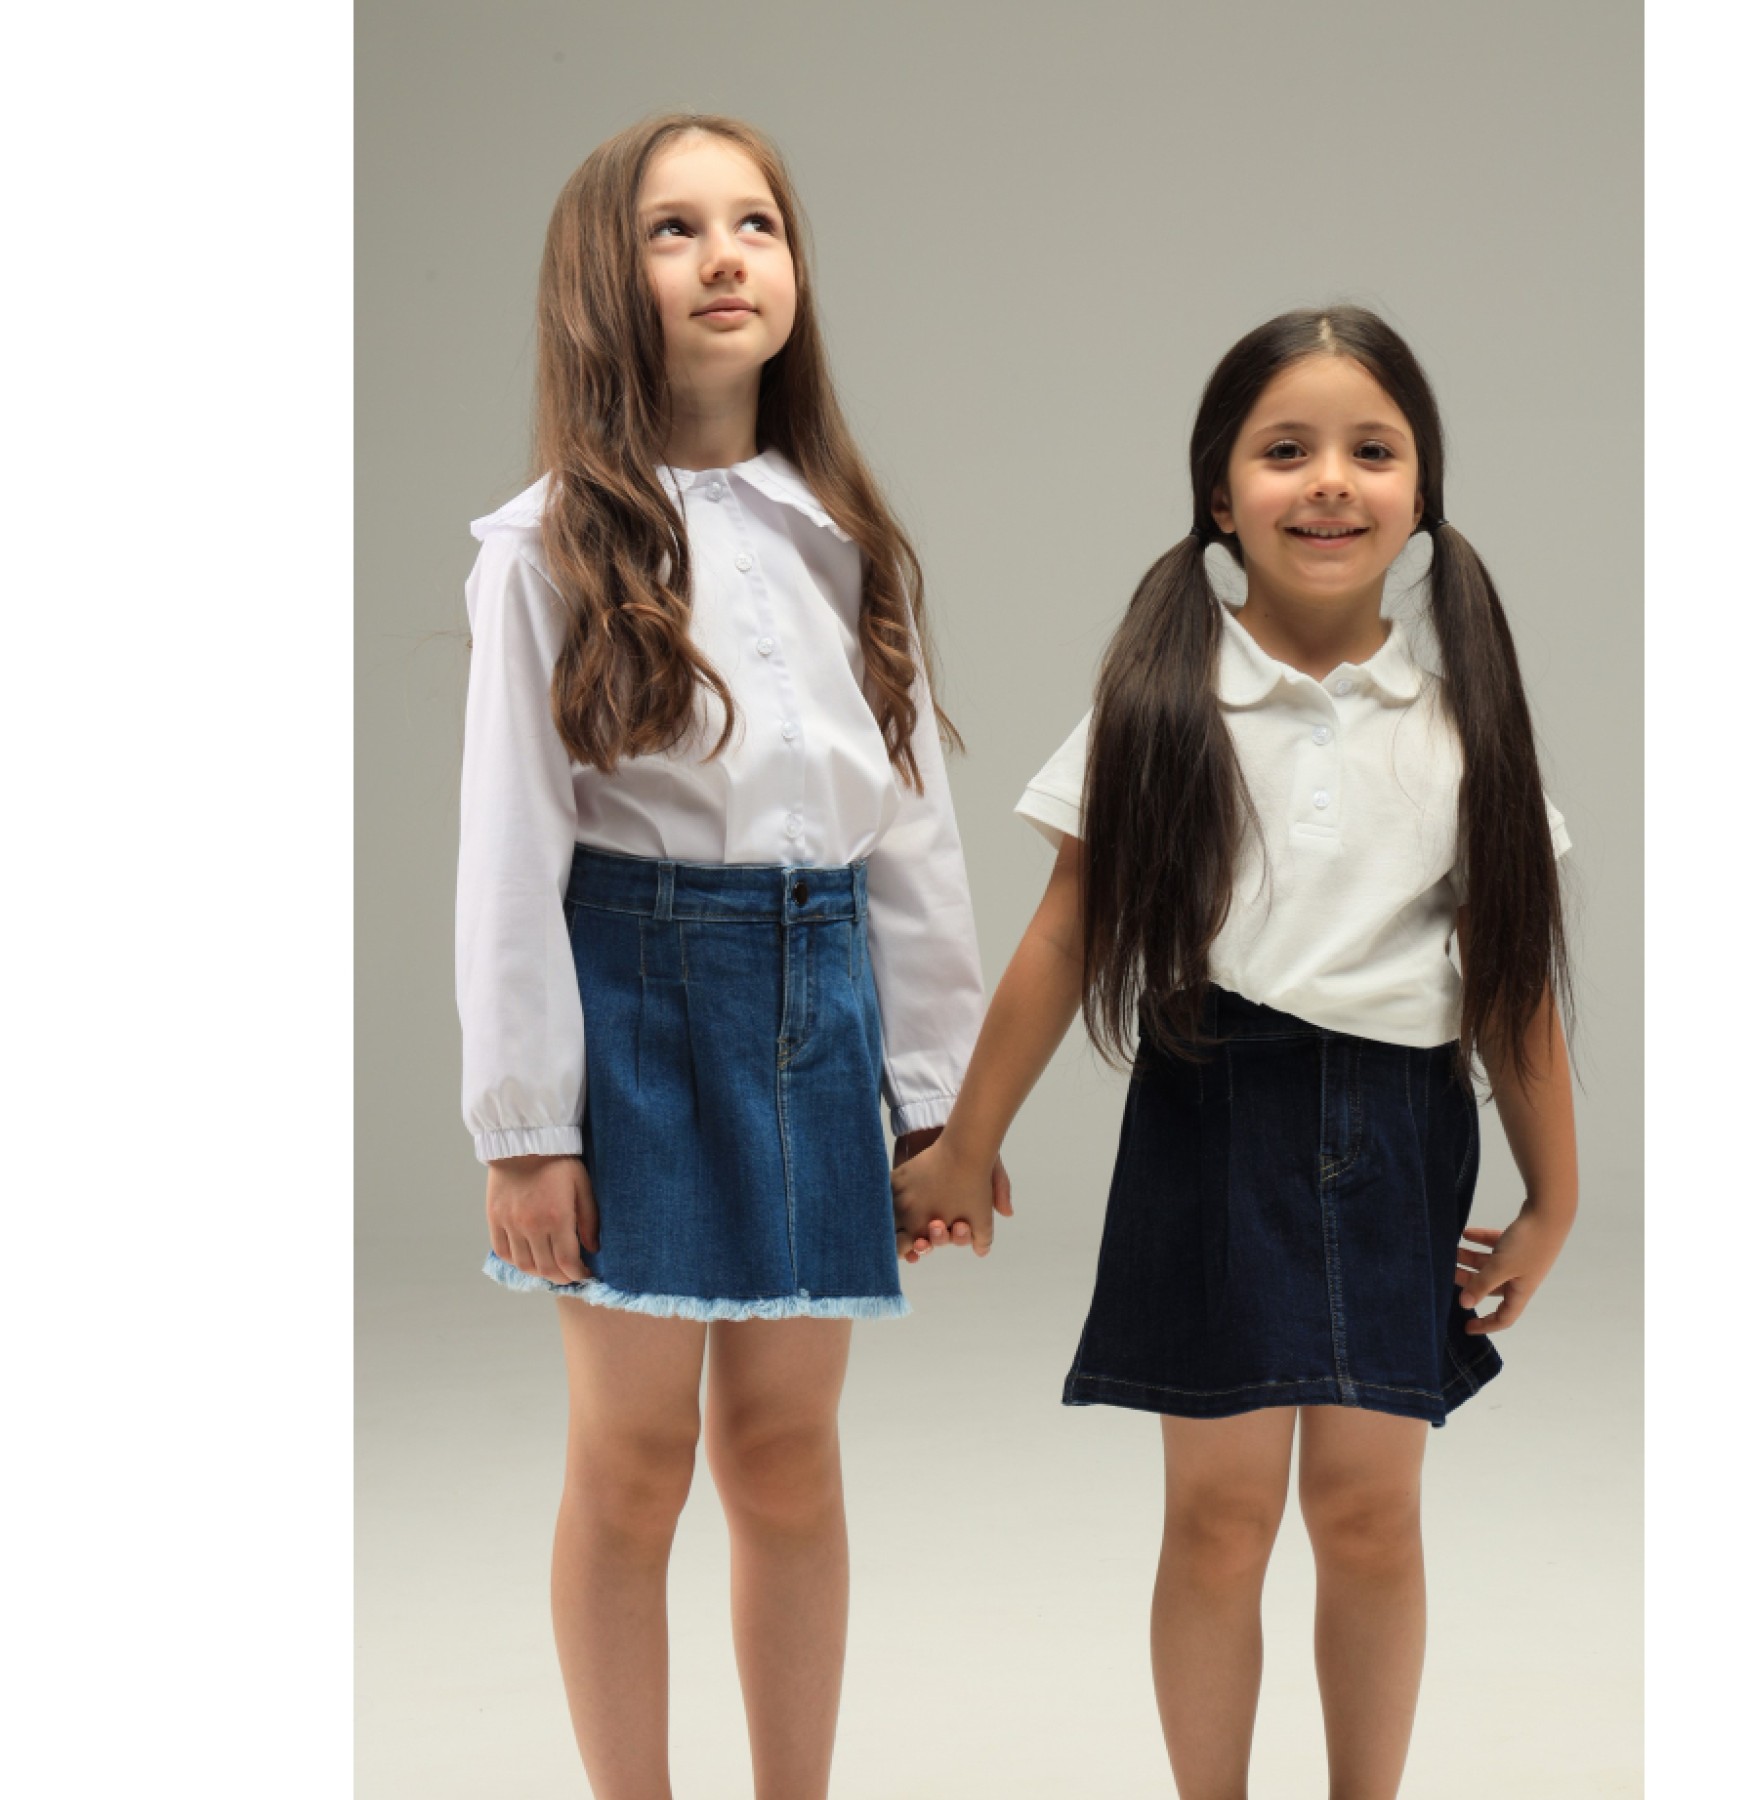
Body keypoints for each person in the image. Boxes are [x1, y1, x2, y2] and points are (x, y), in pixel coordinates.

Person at [892, 305, 1578, 1799]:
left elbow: (1513, 978)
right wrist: (964, 1140)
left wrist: (1555, 1196)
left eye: (1372, 450)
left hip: (1397, 1136)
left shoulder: (1465, 728)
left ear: (1422, 490)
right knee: (1216, 1520)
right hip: (1213, 1119)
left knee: (1372, 1515)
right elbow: (1065, 935)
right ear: (1221, 492)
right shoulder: (1161, 705)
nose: (1329, 480)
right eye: (1286, 451)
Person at [454, 112, 994, 1800]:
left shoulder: (844, 539)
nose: (724, 258)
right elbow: (510, 851)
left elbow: (910, 837)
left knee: (786, 1455)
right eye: (674, 229)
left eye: (755, 223)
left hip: (817, 1007)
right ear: (601, 280)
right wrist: (526, 1128)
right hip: (640, 1005)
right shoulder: (545, 547)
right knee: (633, 1464)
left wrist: (941, 1101)